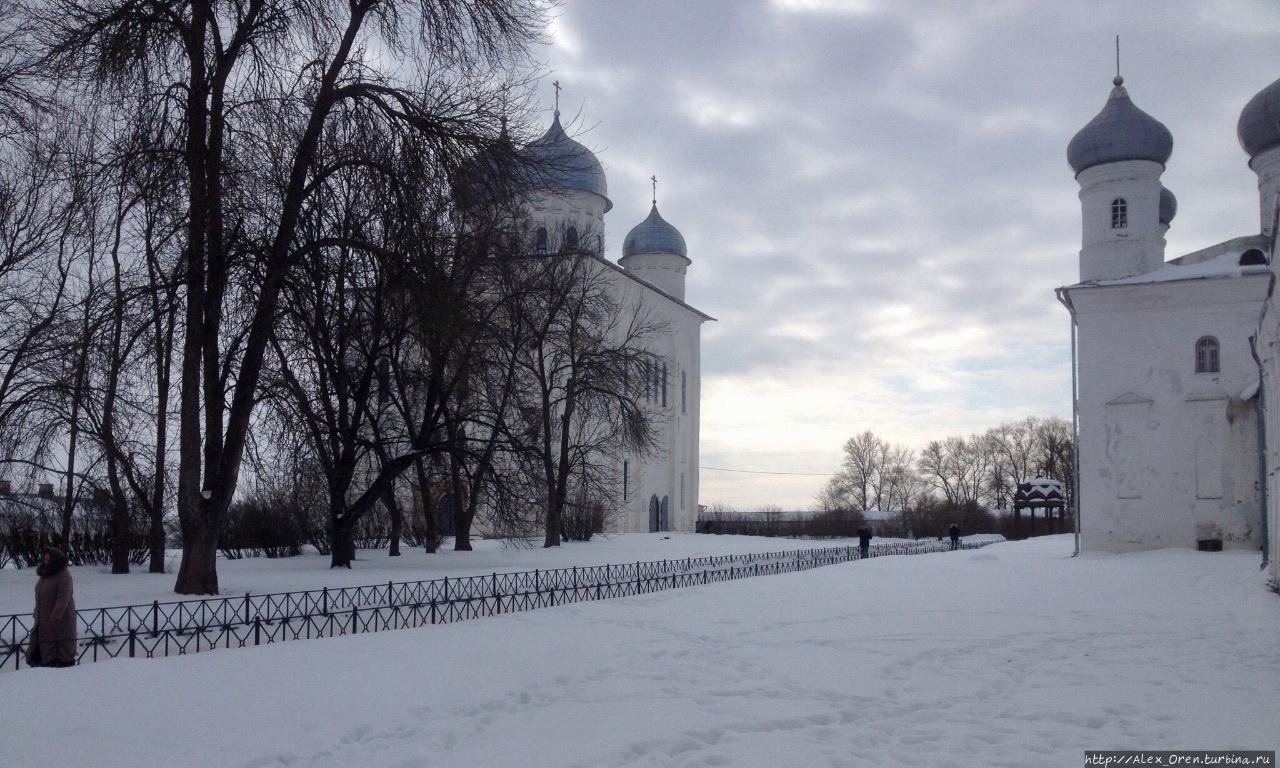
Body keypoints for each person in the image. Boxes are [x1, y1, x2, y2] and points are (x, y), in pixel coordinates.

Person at [26, 546, 77, 668]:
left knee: (57, 652)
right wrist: (36, 612)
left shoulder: (63, 575)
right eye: (44, 559)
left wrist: (54, 617)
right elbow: (39, 595)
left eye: (48, 560)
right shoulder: (45, 575)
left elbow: (63, 598)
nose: (45, 562)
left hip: (58, 623)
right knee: (40, 649)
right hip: (42, 621)